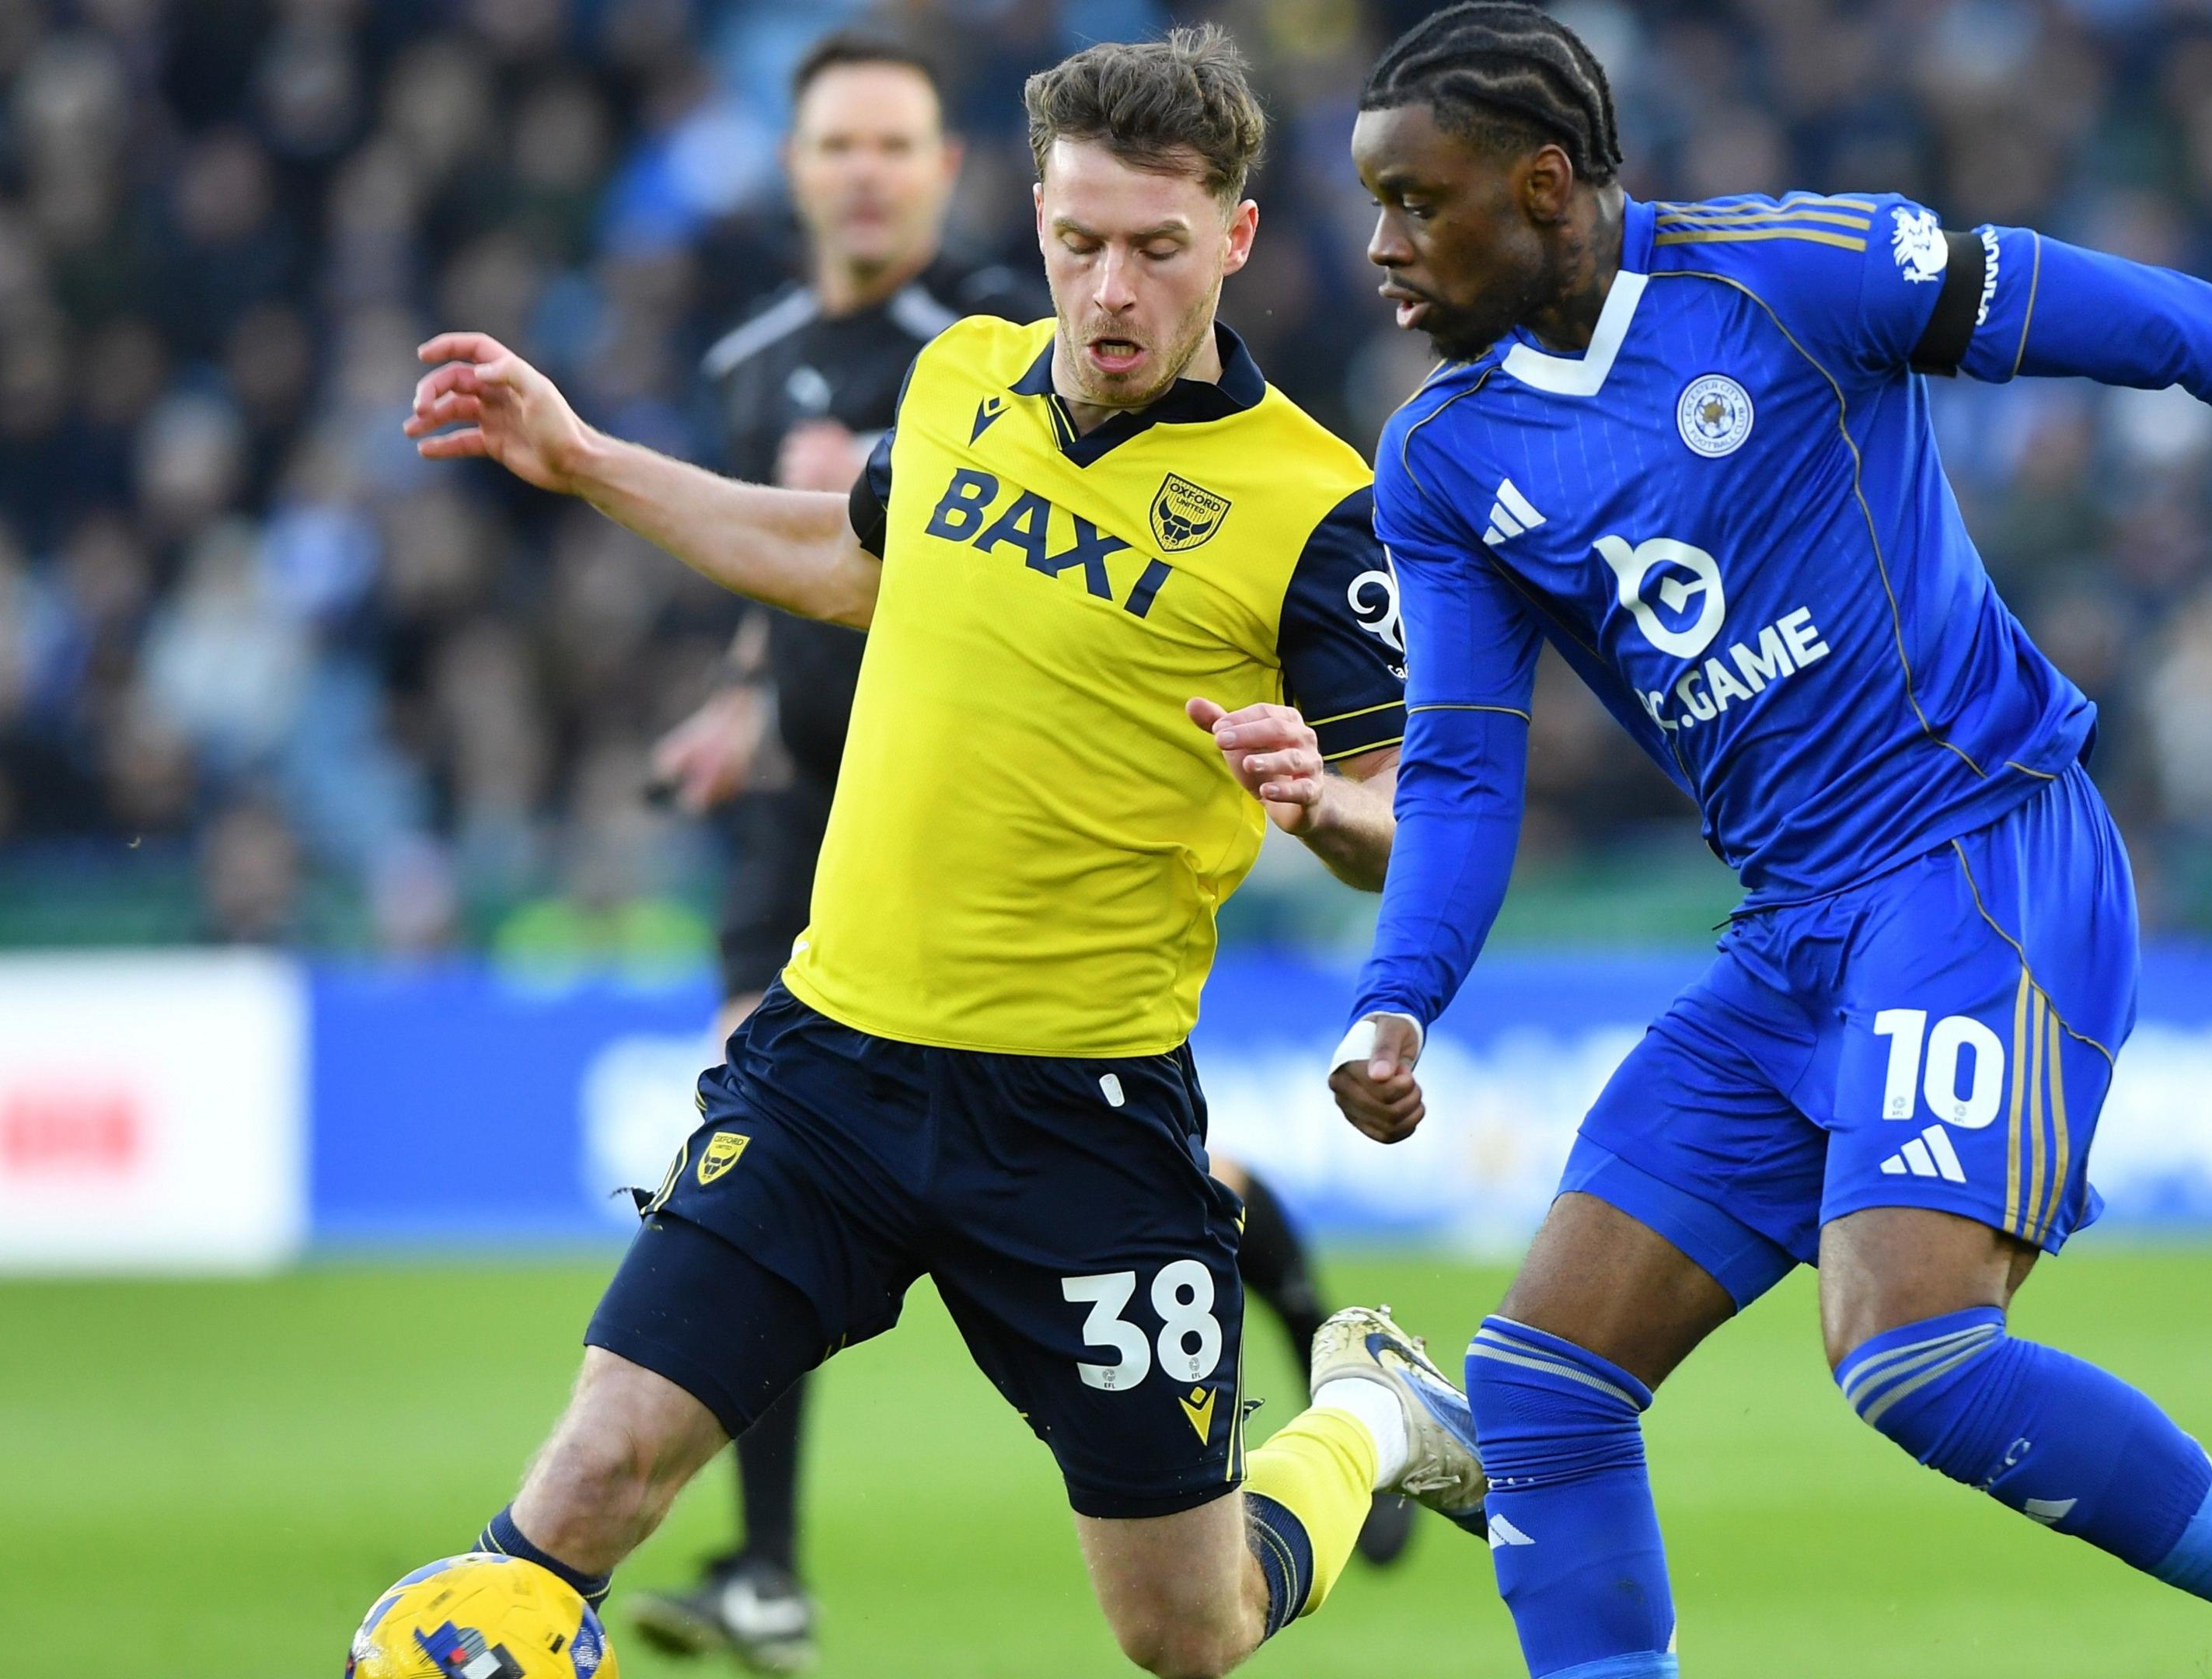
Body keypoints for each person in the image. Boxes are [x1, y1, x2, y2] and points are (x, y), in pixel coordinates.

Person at [1324, 7, 2212, 1679]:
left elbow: (2176, 324)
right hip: (1793, 929)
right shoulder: (1444, 460)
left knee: (1912, 1356)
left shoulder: (1796, 277)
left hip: (1981, 852)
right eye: (1373, 205)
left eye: (1415, 200)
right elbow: (1460, 772)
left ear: (1541, 185)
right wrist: (1401, 997)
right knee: (1537, 1395)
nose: (1379, 245)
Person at [405, 29, 1478, 1679]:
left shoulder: (1318, 504)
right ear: (1036, 216)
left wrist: (1326, 806)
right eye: (1077, 240)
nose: (1107, 289)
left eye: (1154, 249)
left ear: (1238, 241)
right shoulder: (965, 374)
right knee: (596, 1473)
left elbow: (1412, 816)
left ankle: (1365, 1419)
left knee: (1189, 1633)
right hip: (826, 1072)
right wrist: (587, 460)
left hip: (1079, 1120)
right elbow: (850, 562)